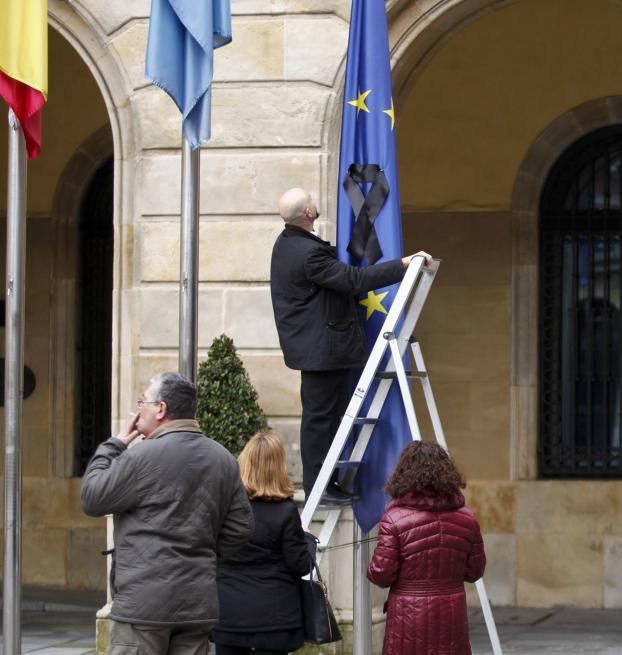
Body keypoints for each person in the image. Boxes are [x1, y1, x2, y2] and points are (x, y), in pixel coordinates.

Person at [269, 187, 431, 503]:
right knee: (320, 420)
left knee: (328, 418)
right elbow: (353, 281)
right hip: (321, 349)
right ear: (307, 214)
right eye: (312, 202)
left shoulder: (289, 244)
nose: (317, 204)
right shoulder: (307, 252)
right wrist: (403, 264)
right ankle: (320, 486)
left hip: (320, 347)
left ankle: (327, 482)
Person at [81, 372, 253, 655]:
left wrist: (115, 444)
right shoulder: (222, 458)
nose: (139, 411)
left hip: (143, 606)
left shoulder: (139, 457)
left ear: (161, 409)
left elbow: (91, 498)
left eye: (142, 403)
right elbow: (241, 529)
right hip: (196, 605)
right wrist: (202, 556)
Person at [367, 441, 486, 655]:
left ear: (404, 474)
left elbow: (381, 576)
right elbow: (474, 572)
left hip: (408, 616)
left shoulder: (394, 519)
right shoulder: (467, 518)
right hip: (451, 612)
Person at [213, 430, 313, 655]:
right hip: (275, 617)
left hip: (229, 614)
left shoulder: (225, 507)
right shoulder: (286, 511)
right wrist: (305, 538)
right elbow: (300, 565)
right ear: (277, 466)